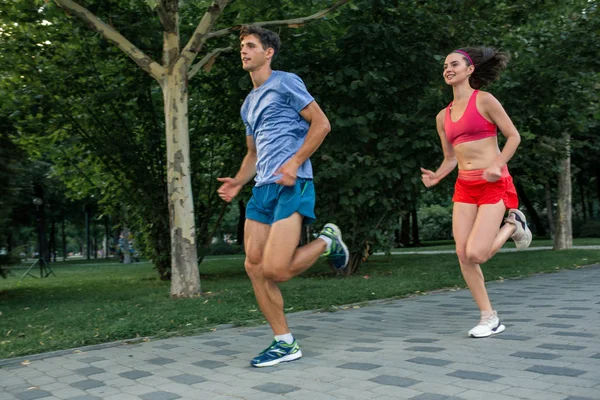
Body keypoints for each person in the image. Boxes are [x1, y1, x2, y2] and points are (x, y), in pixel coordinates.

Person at [217, 25, 349, 367]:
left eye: (249, 46)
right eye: (241, 46)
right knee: (253, 266)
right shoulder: (248, 104)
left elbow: (321, 124)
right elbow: (253, 154)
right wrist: (238, 182)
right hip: (261, 189)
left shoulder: (286, 82)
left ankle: (327, 241)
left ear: (268, 52)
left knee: (276, 269)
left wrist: (295, 161)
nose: (243, 51)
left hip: (293, 183)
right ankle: (285, 342)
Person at [420, 47, 532, 338]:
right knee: (462, 253)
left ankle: (513, 224)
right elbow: (451, 158)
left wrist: (498, 164)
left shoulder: (484, 100)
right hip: (465, 186)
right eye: (445, 65)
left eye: (454, 64)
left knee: (477, 253)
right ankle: (488, 317)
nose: (448, 69)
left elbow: (513, 136)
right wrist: (437, 176)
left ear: (470, 70)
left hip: (493, 183)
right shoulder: (442, 117)